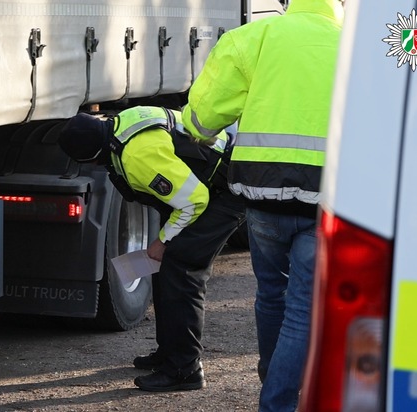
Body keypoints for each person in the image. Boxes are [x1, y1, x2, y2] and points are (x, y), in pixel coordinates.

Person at [180, 0, 343, 410]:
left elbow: (200, 121)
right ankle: (277, 398)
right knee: (303, 310)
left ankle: (275, 378)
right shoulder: (359, 47)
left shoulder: (251, 38)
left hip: (262, 195)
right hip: (327, 198)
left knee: (272, 294)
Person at [58, 106, 244, 392]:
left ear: (92, 156)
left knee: (182, 268)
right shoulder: (121, 124)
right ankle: (169, 352)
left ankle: (185, 370)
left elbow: (195, 201)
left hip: (224, 191)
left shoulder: (136, 156)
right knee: (166, 263)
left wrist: (162, 241)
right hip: (209, 184)